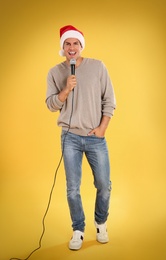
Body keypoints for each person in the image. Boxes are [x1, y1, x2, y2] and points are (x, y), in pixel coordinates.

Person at [46, 25, 116, 250]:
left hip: (95, 137)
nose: (72, 48)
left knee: (104, 185)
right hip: (70, 139)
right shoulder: (55, 73)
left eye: (76, 43)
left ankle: (101, 223)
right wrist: (65, 90)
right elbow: (50, 105)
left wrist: (102, 128)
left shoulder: (98, 67)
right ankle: (78, 229)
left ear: (81, 46)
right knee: (72, 188)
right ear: (63, 48)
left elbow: (110, 100)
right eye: (67, 44)